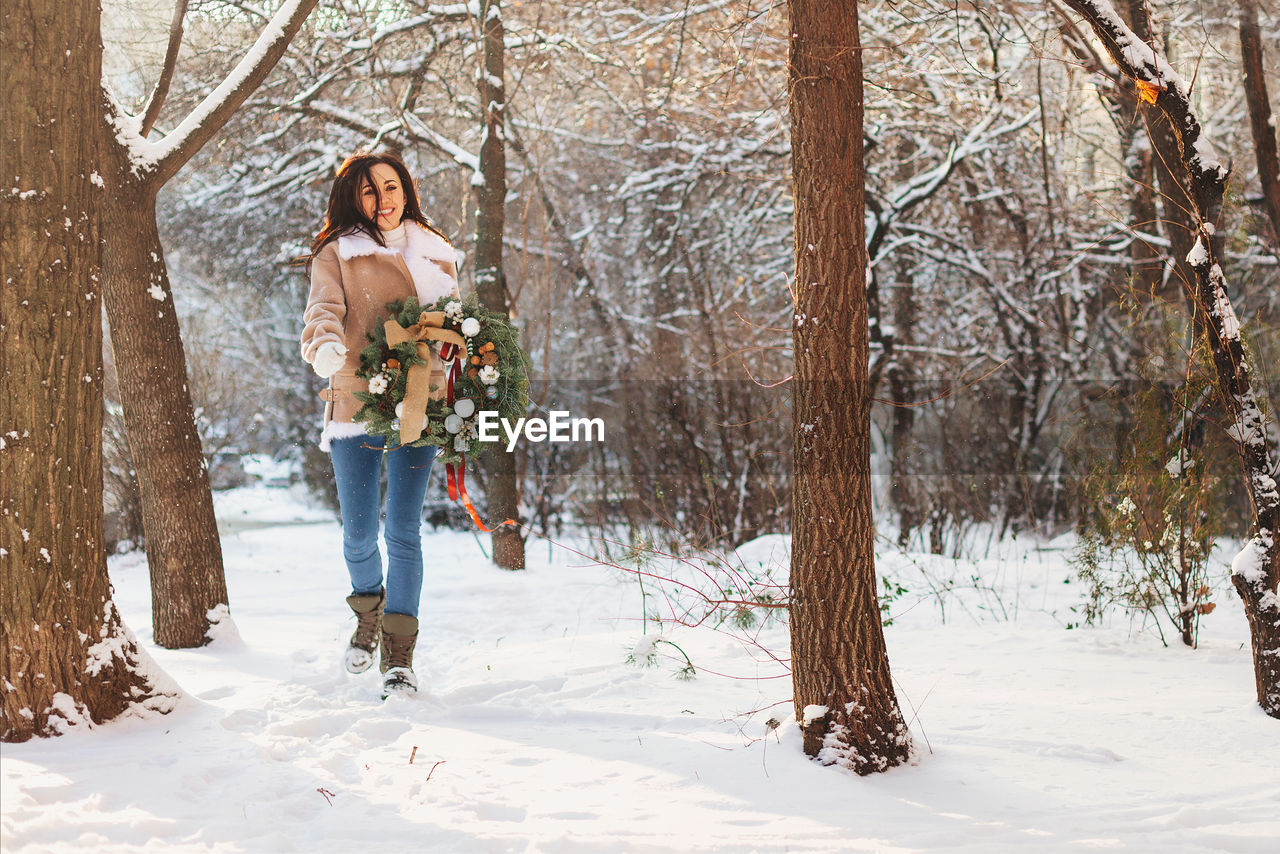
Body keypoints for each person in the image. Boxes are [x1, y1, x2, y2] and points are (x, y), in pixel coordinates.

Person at [300, 151, 459, 698]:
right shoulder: (337, 253)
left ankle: (399, 654)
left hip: (420, 399)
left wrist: (469, 350)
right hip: (355, 400)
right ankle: (368, 611)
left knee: (404, 531)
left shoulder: (435, 252)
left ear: (407, 189)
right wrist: (322, 344)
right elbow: (323, 309)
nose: (384, 200)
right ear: (353, 197)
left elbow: (453, 322)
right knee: (361, 532)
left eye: (392, 187)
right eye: (370, 191)